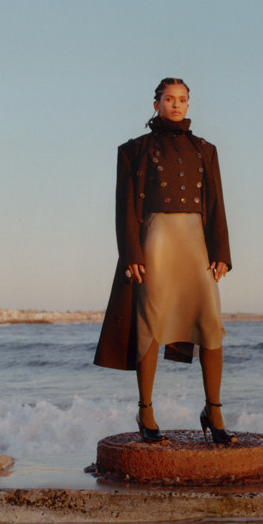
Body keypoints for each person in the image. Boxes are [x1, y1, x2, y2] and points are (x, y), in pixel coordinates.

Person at [94, 78, 234, 445]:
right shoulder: (133, 150)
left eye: (183, 99)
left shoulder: (206, 150)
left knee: (210, 322)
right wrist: (131, 253)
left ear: (189, 105)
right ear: (156, 103)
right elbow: (124, 207)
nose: (176, 104)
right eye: (169, 99)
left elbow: (217, 204)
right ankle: (146, 411)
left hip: (196, 244)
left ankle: (214, 410)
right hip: (154, 242)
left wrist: (222, 252)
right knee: (150, 324)